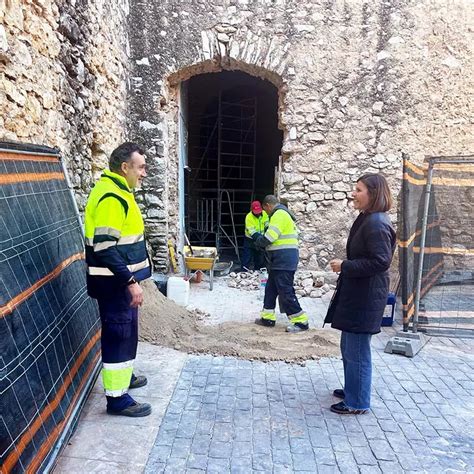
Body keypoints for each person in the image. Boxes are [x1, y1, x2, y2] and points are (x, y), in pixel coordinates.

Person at [84, 142, 152, 417]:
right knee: (118, 335)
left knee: (126, 334)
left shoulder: (118, 191)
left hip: (117, 282)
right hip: (114, 284)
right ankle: (117, 399)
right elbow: (105, 247)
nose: (144, 173)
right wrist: (130, 282)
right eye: (141, 167)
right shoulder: (112, 198)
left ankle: (124, 378)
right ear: (125, 168)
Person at [324, 173, 396, 415]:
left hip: (366, 296)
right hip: (359, 293)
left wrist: (345, 266)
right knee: (349, 347)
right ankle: (353, 389)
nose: (353, 194)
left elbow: (380, 262)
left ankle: (357, 402)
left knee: (357, 351)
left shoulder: (376, 223)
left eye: (359, 190)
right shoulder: (368, 218)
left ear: (373, 194)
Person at [253, 195, 309, 332]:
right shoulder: (283, 214)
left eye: (265, 210)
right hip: (280, 259)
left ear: (267, 205)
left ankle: (301, 321)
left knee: (285, 291)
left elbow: (271, 237)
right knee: (271, 289)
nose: (265, 212)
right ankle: (267, 318)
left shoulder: (279, 214)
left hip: (283, 260)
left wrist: (259, 242)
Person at [241, 200, 269, 271]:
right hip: (250, 240)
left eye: (259, 212)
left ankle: (258, 271)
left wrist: (267, 235)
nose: (258, 214)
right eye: (256, 212)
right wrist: (262, 240)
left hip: (261, 238)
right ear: (251, 210)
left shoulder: (265, 214)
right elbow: (252, 232)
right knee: (247, 257)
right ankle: (244, 271)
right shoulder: (249, 217)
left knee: (259, 257)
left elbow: (267, 225)